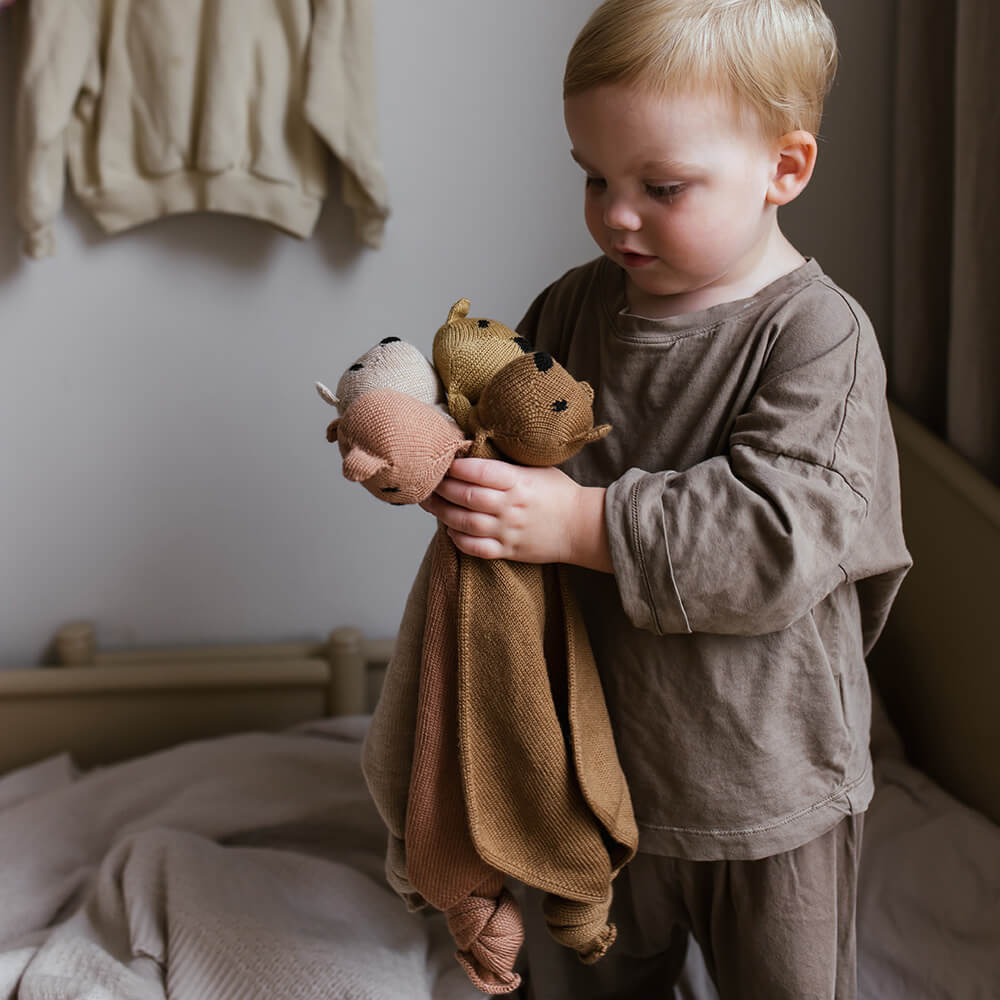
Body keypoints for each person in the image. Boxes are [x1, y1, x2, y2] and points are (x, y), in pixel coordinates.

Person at [419, 1, 911, 996]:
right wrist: (429, 441)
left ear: (784, 168)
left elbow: (777, 536)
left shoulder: (817, 337)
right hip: (600, 778)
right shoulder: (576, 303)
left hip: (768, 787)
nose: (617, 213)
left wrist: (577, 520)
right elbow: (508, 411)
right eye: (594, 177)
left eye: (661, 185)